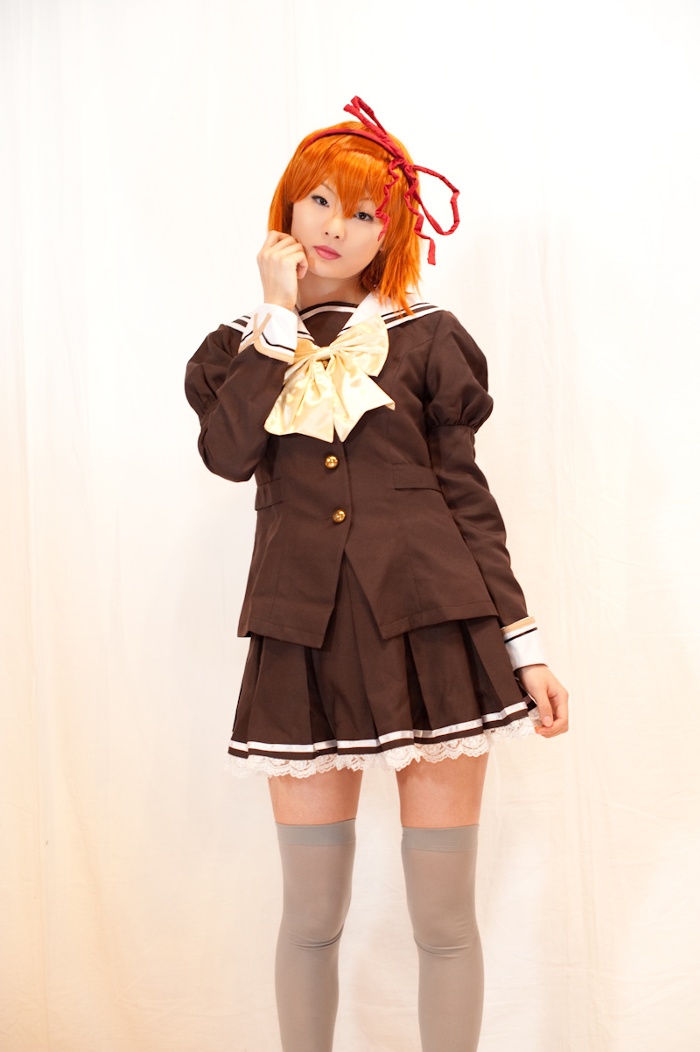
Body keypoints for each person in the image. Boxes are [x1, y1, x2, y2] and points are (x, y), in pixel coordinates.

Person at [185, 97, 569, 1052]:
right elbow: (228, 456)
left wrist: (524, 646)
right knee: (310, 916)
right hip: (302, 643)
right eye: (320, 200)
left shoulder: (428, 336)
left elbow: (466, 499)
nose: (336, 227)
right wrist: (276, 320)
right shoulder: (236, 349)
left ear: (391, 234)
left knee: (444, 920)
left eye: (364, 214)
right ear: (288, 205)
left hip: (437, 633)